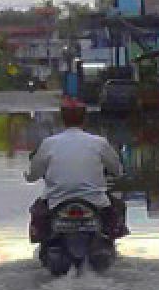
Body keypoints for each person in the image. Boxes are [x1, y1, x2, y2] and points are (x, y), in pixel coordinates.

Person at [26, 98, 128, 243]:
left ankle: (45, 242)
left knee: (37, 214)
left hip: (56, 201)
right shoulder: (99, 143)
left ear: (62, 119)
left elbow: (33, 174)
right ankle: (110, 239)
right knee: (117, 208)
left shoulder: (49, 144)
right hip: (95, 201)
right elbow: (117, 170)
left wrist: (29, 176)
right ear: (84, 119)